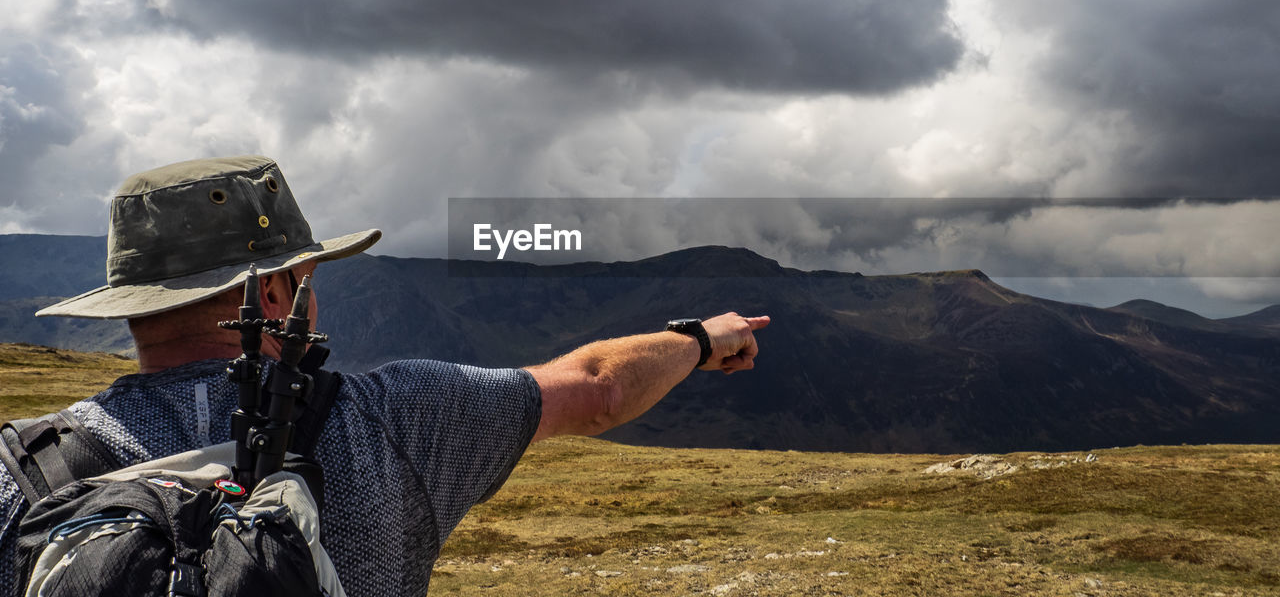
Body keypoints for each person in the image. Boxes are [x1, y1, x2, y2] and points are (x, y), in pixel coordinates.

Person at [0, 155, 769, 596]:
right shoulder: (400, 419)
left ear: (130, 305)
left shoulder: (20, 474)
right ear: (274, 292)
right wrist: (701, 339)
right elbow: (599, 387)